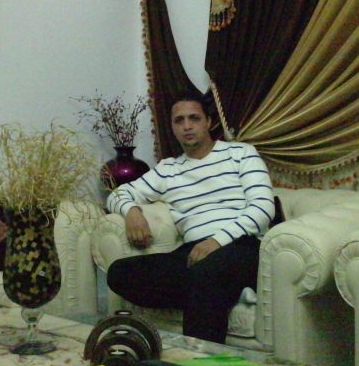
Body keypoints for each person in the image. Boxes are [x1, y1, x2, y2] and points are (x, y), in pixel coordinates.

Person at [105, 91, 275, 343]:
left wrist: (215, 241)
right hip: (193, 252)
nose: (187, 126)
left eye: (194, 118)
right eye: (179, 120)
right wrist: (131, 211)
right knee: (119, 272)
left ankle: (201, 361)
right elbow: (117, 194)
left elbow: (263, 208)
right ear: (172, 127)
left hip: (242, 245)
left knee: (206, 273)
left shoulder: (241, 153)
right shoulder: (168, 169)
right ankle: (222, 292)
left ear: (208, 122)